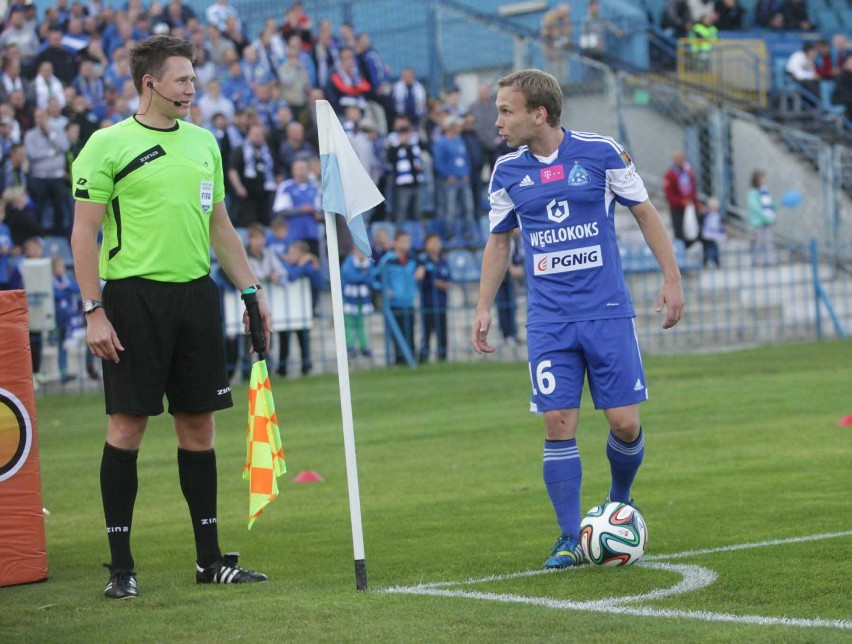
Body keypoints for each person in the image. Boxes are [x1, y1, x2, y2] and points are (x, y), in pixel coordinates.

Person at [69, 35, 272, 601]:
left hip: (195, 298)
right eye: (181, 80)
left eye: (193, 79)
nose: (191, 89)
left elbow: (221, 229)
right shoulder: (106, 145)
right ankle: (120, 568)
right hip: (132, 300)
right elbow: (83, 232)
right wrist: (94, 311)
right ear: (149, 83)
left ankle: (210, 561)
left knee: (199, 427)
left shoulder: (205, 143)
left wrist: (251, 291)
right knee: (127, 427)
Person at [471, 70, 684, 570]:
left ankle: (618, 501)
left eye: (506, 110)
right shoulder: (505, 172)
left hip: (607, 311)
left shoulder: (602, 152)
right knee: (557, 421)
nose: (497, 121)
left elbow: (645, 213)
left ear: (538, 113)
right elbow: (499, 242)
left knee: (625, 422)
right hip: (549, 320)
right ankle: (569, 537)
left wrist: (671, 277)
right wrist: (484, 305)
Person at [373, 230, 424, 365]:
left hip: (409, 301)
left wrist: (422, 269)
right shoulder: (388, 260)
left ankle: (412, 360)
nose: (407, 244)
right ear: (396, 243)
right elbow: (375, 277)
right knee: (397, 335)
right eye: (404, 241)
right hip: (394, 303)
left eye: (408, 241)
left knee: (410, 333)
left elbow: (424, 265)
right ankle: (399, 361)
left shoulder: (413, 259)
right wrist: (384, 288)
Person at [277, 240, 323, 376]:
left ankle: (306, 365)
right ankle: (282, 367)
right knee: (283, 341)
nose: (290, 255)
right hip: (285, 310)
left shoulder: (308, 266)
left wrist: (314, 266)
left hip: (303, 309)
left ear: (303, 254)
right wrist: (302, 265)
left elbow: (318, 282)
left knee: (303, 339)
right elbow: (290, 276)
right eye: (289, 252)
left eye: (294, 253)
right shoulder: (286, 266)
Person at [418, 233, 450, 363]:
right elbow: (420, 279)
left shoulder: (443, 260)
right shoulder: (423, 260)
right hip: (428, 304)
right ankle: (423, 358)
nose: (436, 245)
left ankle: (442, 358)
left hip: (442, 303)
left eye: (438, 242)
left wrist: (440, 284)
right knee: (427, 333)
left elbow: (448, 282)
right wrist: (436, 283)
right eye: (433, 242)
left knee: (442, 332)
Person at [340, 245, 374, 359]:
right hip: (349, 298)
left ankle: (363, 346)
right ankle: (349, 346)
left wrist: (362, 277)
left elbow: (371, 277)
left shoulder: (367, 263)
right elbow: (350, 277)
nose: (361, 254)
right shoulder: (348, 262)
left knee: (360, 323)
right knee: (349, 323)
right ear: (353, 251)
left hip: (361, 299)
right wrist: (363, 276)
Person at [662, 149, 700, 249]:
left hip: (689, 206)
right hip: (677, 208)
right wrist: (681, 202)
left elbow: (693, 190)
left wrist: (695, 204)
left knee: (694, 232)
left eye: (682, 158)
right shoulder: (670, 174)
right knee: (679, 234)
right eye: (678, 159)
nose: (680, 161)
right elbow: (669, 194)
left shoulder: (689, 172)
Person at [746, 170, 778, 267]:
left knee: (769, 242)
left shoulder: (764, 191)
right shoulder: (752, 193)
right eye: (762, 178)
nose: (764, 180)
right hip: (758, 222)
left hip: (767, 222)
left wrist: (780, 203)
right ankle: (755, 261)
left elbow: (769, 206)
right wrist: (766, 217)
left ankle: (770, 262)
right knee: (758, 243)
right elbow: (756, 208)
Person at [699, 196, 725, 268]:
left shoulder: (718, 215)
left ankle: (716, 263)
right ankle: (705, 262)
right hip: (706, 235)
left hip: (714, 235)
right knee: (706, 250)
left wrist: (723, 234)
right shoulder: (706, 215)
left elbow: (721, 225)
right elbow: (701, 221)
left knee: (714, 249)